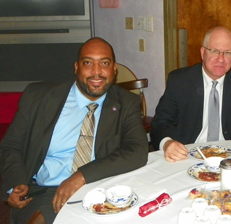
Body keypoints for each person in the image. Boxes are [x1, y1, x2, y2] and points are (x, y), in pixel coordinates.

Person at [0, 37, 149, 223]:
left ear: (114, 69)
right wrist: (14, 183)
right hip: (46, 191)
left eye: (104, 63)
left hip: (100, 187)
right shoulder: (39, 97)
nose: (97, 72)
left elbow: (138, 150)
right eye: (88, 63)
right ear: (76, 67)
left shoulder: (126, 103)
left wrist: (81, 176)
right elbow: (11, 145)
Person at [151, 26, 231, 162]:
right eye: (214, 51)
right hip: (187, 155)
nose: (221, 59)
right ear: (203, 53)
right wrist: (167, 143)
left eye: (227, 53)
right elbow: (160, 123)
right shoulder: (179, 81)